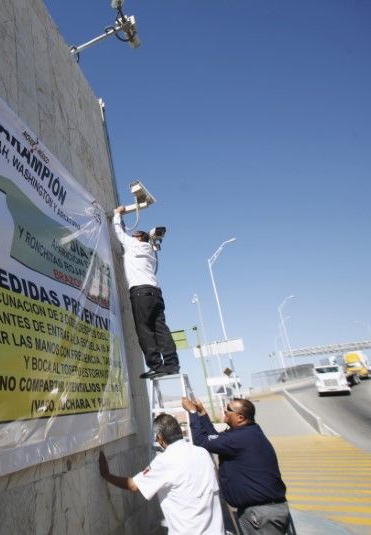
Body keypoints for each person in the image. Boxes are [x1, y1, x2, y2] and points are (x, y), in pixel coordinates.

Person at [98, 413, 224, 535]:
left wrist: (106, 475)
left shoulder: (165, 461)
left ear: (159, 437)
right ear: (180, 431)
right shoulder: (202, 452)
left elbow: (133, 485)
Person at [182, 397, 291, 534]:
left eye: (228, 409)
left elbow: (201, 441)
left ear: (240, 417)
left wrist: (192, 412)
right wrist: (202, 413)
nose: (224, 411)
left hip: (260, 515)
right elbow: (215, 439)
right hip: (266, 511)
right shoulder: (248, 432)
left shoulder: (238, 439)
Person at [112, 206, 180, 378]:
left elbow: (119, 232)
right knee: (161, 329)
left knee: (145, 331)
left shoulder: (133, 244)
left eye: (134, 234)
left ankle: (156, 365)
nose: (131, 234)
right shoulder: (149, 250)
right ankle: (172, 364)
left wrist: (117, 214)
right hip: (156, 293)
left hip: (141, 293)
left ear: (137, 237)